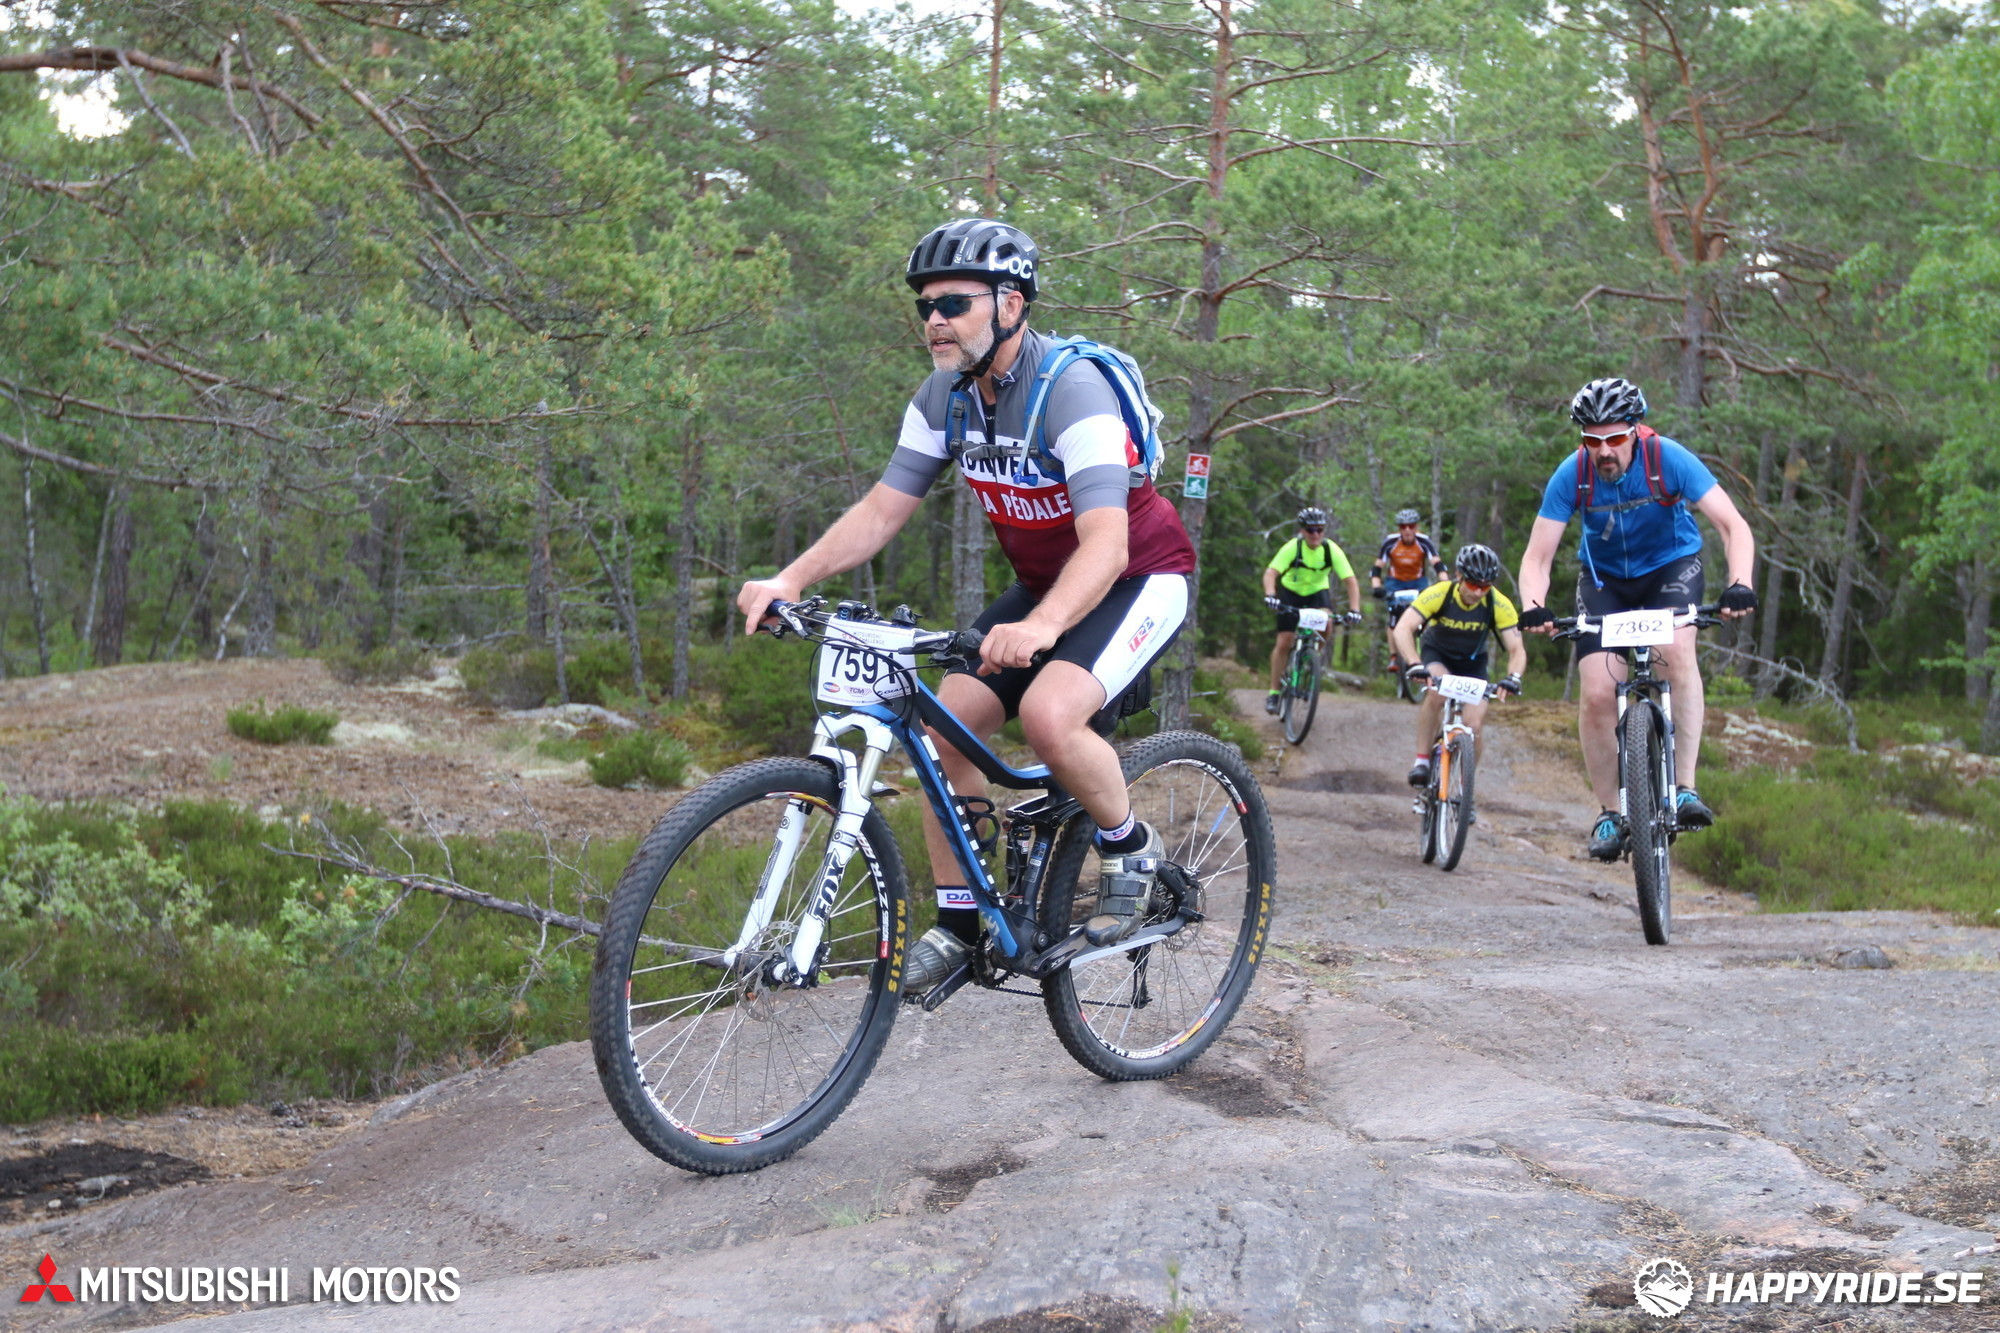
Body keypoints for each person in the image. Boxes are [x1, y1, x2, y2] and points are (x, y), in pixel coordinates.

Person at [737, 218, 1197, 994]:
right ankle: (961, 922)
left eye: (954, 302)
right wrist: (792, 577)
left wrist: (1044, 627)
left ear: (1011, 304)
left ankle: (1130, 846)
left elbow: (1107, 545)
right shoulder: (944, 398)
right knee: (943, 731)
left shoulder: (1072, 391)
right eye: (925, 306)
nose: (934, 320)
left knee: (1050, 716)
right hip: (1045, 586)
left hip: (1137, 575)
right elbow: (882, 510)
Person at [1515, 377, 1758, 860]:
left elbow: (1733, 526)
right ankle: (1611, 812)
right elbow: (1537, 557)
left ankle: (1684, 788)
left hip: (1670, 569)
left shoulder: (1668, 458)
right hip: (1605, 582)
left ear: (1635, 430)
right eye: (1593, 440)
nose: (1604, 451)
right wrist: (1533, 605)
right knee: (1597, 692)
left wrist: (1740, 582)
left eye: (1614, 438)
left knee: (1675, 652)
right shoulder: (1573, 474)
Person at [1396, 543, 1526, 789]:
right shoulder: (1440, 593)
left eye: (1485, 586)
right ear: (1459, 576)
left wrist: (1514, 677)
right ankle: (1422, 761)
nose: (1478, 592)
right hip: (1438, 654)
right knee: (1437, 693)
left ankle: (1466, 789)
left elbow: (1516, 649)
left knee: (1474, 725)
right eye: (1473, 584)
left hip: (1473, 664)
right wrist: (1414, 662)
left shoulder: (1498, 603)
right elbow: (1404, 627)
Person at [1262, 507, 1363, 714]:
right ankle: (1274, 692)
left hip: (1317, 593)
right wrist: (1271, 595)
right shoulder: (1293, 547)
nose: (1315, 534)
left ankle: (1311, 658)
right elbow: (1271, 573)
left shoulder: (1331, 550)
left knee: (1327, 623)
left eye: (1320, 530)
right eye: (1310, 530)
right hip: (1291, 592)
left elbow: (1350, 581)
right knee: (1284, 642)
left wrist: (1355, 609)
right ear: (1302, 531)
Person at [1371, 508, 1448, 666]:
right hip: (1395, 582)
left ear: (1416, 527)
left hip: (1417, 581)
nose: (1407, 530)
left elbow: (1437, 564)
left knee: (1425, 613)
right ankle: (1394, 657)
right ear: (1399, 529)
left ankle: (1426, 647)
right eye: (1403, 527)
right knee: (1394, 616)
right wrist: (1377, 587)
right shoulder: (1390, 542)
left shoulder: (1424, 541)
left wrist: (1445, 584)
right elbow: (1377, 567)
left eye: (1411, 526)